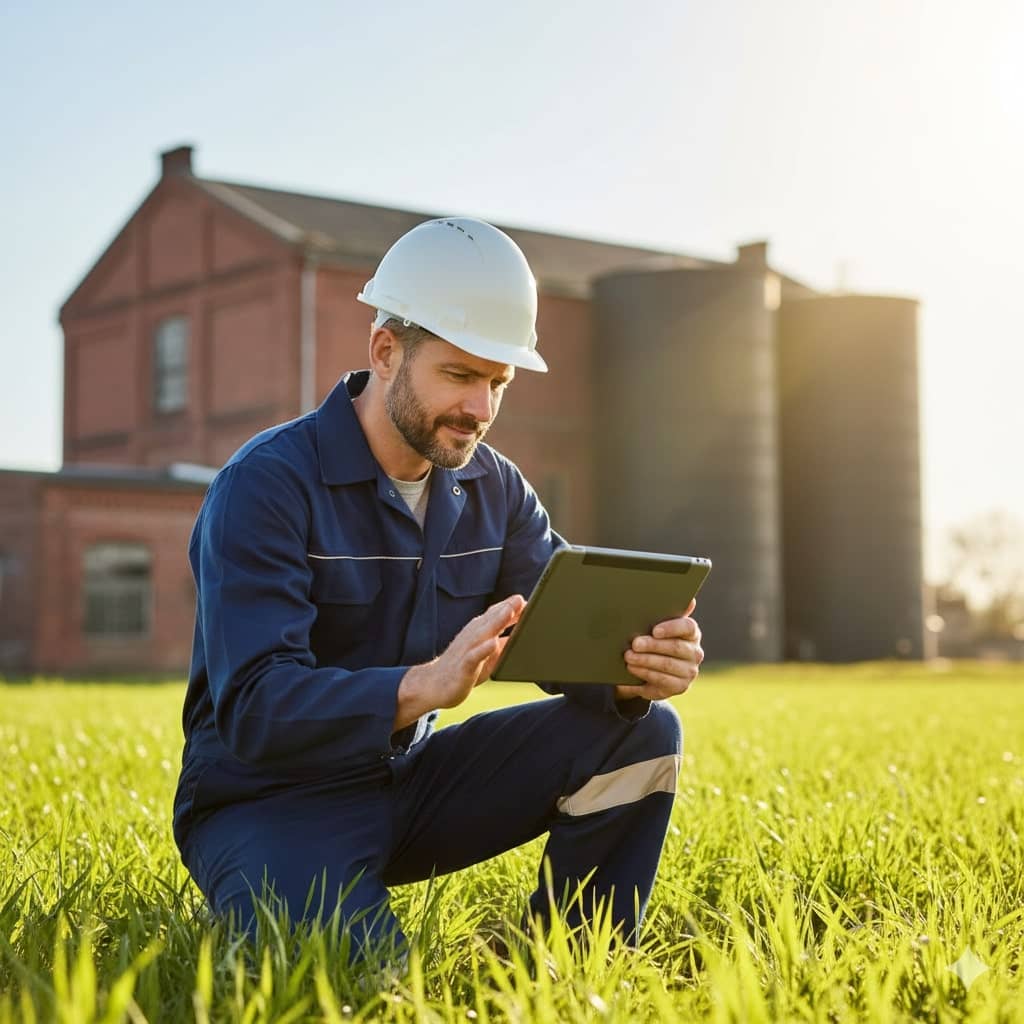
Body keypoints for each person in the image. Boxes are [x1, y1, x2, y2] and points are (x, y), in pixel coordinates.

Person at [172, 217, 704, 956]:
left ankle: (579, 968)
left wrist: (635, 670)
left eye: (498, 383)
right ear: (386, 351)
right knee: (370, 988)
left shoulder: (494, 489)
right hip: (266, 801)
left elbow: (565, 642)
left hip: (407, 786)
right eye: (459, 375)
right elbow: (257, 707)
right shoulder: (265, 486)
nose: (481, 410)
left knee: (643, 733)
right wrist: (422, 686)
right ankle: (266, 885)